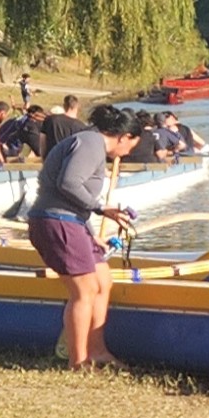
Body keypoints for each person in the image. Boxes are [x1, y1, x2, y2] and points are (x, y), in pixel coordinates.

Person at [25, 102, 145, 367]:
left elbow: (75, 199)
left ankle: (98, 351)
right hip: (55, 221)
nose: (126, 154)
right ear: (124, 137)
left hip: (73, 222)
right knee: (85, 290)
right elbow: (67, 183)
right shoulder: (91, 144)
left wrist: (90, 234)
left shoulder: (91, 144)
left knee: (103, 281)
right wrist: (101, 208)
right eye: (130, 147)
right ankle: (79, 362)